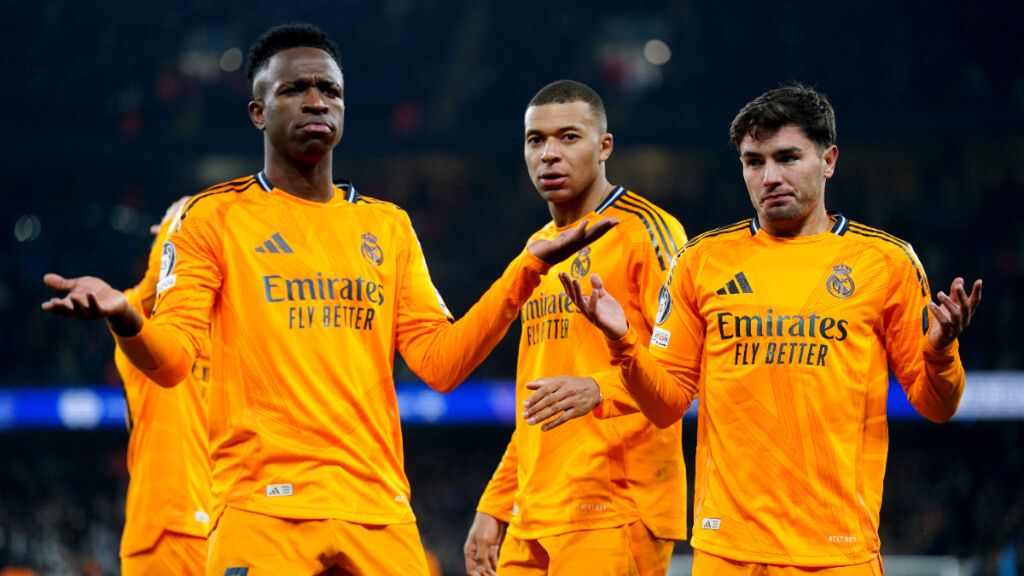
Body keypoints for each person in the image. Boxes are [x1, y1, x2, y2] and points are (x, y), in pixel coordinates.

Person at [41, 23, 613, 575]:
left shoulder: (387, 227)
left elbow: (440, 364)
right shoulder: (215, 219)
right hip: (264, 507)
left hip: (377, 509)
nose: (316, 101)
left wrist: (528, 268)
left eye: (330, 90)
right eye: (295, 89)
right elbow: (170, 364)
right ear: (258, 112)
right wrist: (125, 318)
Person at [527, 84, 983, 573]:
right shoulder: (702, 261)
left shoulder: (885, 263)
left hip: (835, 551)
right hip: (726, 551)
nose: (769, 177)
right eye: (753, 161)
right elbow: (664, 404)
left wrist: (939, 352)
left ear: (828, 160)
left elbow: (937, 406)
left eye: (787, 158)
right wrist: (623, 343)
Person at [463, 80, 688, 576]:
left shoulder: (647, 231)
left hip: (616, 510)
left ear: (604, 146)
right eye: (535, 140)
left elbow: (686, 370)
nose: (549, 154)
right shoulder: (538, 250)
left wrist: (599, 388)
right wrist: (497, 502)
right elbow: (538, 394)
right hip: (534, 510)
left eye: (568, 137)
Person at [116, 196, 212, 576]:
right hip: (164, 532)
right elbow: (153, 289)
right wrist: (178, 225)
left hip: (229, 529)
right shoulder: (143, 326)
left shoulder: (229, 338)